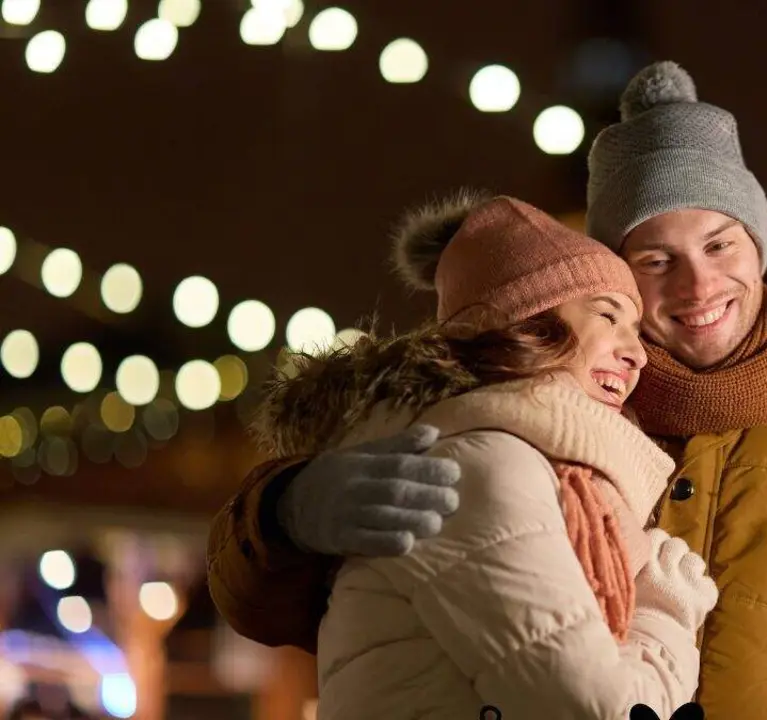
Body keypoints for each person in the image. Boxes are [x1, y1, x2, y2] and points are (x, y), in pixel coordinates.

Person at [208, 62, 767, 718]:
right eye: (654, 259)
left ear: (761, 244)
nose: (698, 283)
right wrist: (288, 512)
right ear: (611, 273)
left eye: (719, 243)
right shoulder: (541, 407)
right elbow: (272, 607)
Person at [253, 192, 717, 719]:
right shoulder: (480, 466)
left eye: (634, 329)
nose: (635, 354)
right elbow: (596, 711)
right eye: (607, 316)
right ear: (526, 323)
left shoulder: (529, 462)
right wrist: (664, 608)